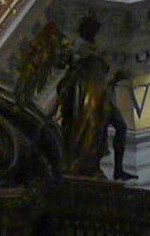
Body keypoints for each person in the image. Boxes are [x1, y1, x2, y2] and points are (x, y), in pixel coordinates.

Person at [55, 15, 131, 179]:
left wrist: (115, 79)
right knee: (92, 128)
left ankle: (118, 169)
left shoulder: (94, 50)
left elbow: (99, 79)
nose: (94, 34)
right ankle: (87, 164)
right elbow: (65, 63)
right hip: (86, 97)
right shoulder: (77, 47)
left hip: (102, 95)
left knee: (121, 126)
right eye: (92, 30)